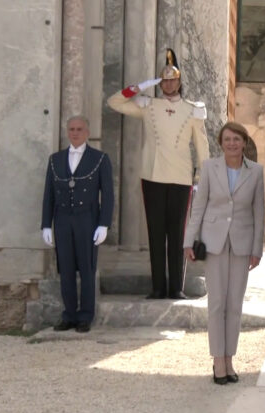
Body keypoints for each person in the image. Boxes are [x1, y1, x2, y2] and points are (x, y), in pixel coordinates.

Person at [107, 48, 209, 300]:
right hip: (152, 174)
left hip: (181, 176)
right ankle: (157, 287)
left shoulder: (193, 109)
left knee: (177, 233)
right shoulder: (148, 105)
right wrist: (140, 86)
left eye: (172, 79)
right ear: (159, 82)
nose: (168, 84)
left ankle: (176, 287)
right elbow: (114, 102)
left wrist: (202, 178)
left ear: (180, 82)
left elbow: (202, 146)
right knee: (155, 232)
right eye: (164, 80)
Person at [183, 122, 265, 384]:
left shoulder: (256, 171)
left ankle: (231, 358)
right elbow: (199, 206)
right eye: (227, 139)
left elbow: (258, 213)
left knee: (235, 305)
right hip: (214, 241)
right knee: (217, 303)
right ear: (221, 143)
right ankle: (218, 360)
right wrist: (189, 240)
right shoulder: (209, 167)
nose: (232, 144)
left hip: (242, 243)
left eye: (236, 139)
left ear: (244, 142)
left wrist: (257, 249)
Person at [41, 115, 114, 333]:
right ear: (67, 131)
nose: (75, 133)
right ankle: (69, 315)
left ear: (87, 132)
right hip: (62, 219)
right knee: (66, 269)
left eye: (79, 129)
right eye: (71, 129)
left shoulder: (100, 159)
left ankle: (85, 316)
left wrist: (104, 224)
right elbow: (49, 195)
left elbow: (108, 195)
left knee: (87, 268)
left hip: (87, 219)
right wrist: (46, 224)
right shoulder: (55, 160)